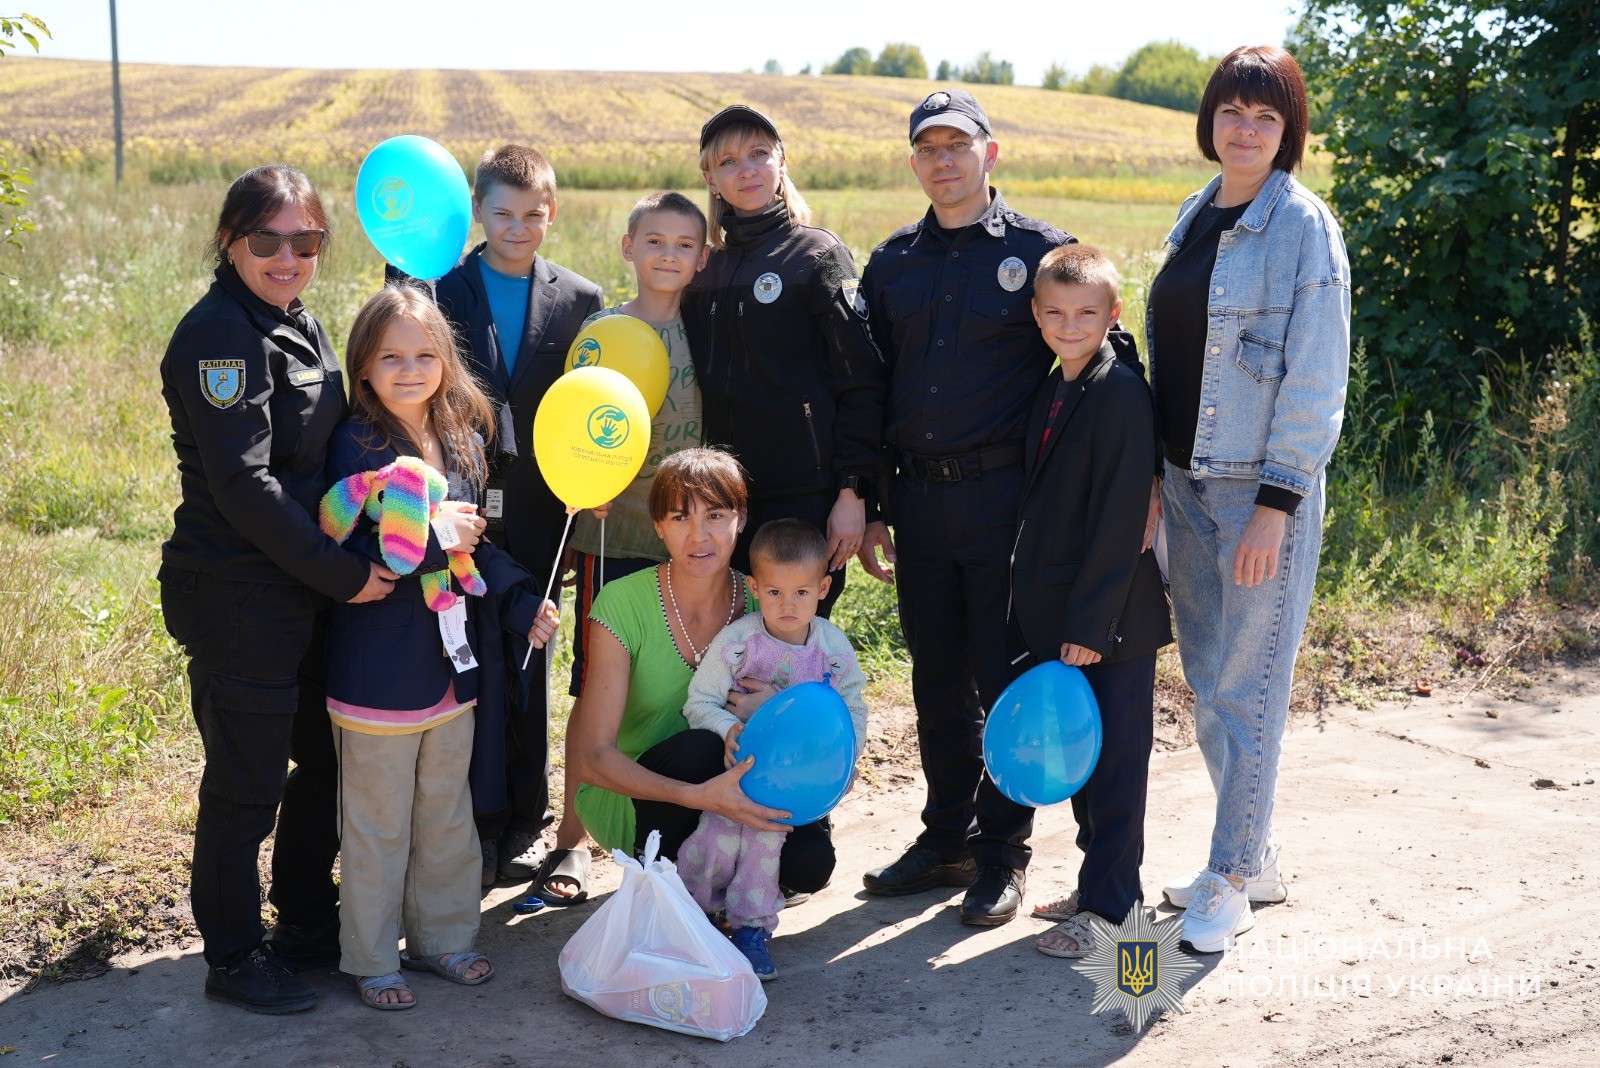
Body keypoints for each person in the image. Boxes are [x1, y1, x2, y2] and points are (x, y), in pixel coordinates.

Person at [855, 89, 1138, 926]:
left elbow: (1107, 352)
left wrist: (1141, 478)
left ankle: (1001, 855)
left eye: (959, 144)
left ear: (991, 152)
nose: (944, 160)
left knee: (1005, 677)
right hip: (917, 501)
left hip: (1007, 505)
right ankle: (945, 837)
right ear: (914, 160)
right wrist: (869, 500)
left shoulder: (1039, 251)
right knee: (938, 680)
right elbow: (867, 387)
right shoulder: (892, 262)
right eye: (929, 147)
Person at [157, 165, 407, 1013]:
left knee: (327, 757)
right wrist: (345, 574)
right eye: (268, 239)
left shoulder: (295, 320)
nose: (288, 256)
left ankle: (304, 920)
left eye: (307, 240)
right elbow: (244, 485)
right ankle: (233, 957)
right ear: (231, 240)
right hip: (240, 593)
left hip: (299, 587)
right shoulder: (220, 336)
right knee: (246, 782)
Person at [1147, 46, 1350, 953]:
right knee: (1207, 683)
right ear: (1210, 120)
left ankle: (1228, 877)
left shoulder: (1304, 227)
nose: (1245, 128)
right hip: (1184, 482)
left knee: (1248, 687)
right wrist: (1155, 479)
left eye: (1266, 116)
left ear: (1288, 132)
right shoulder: (1198, 214)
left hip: (1254, 493)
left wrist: (1277, 501)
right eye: (1232, 110)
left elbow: (1317, 377)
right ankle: (1254, 857)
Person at [320, 286, 561, 1009]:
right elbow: (352, 549)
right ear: (363, 367)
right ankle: (371, 957)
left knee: (446, 815)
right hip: (378, 669)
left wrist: (520, 602)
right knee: (377, 823)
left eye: (425, 355)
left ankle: (443, 940)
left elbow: (476, 546)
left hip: (453, 668)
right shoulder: (354, 444)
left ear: (447, 362)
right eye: (390, 357)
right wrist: (436, 536)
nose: (409, 370)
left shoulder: (460, 438)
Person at [428, 144, 605, 887]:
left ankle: (527, 821)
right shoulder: (439, 289)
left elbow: (592, 398)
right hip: (456, 500)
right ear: (478, 211)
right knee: (462, 658)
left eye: (534, 214)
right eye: (503, 213)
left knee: (528, 657)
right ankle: (467, 821)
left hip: (540, 509)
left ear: (552, 212)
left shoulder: (582, 299)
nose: (518, 227)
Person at [567, 449, 837, 912]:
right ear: (658, 526)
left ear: (741, 518)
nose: (699, 536)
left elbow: (825, 711)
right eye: (679, 517)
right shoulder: (621, 602)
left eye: (715, 515)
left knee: (810, 865)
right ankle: (669, 881)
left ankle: (732, 885)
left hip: (742, 781)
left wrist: (777, 706)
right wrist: (701, 797)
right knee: (700, 748)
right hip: (640, 793)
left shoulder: (769, 598)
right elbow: (592, 760)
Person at [1005, 245, 1173, 958]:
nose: (1069, 326)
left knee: (1116, 769)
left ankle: (1113, 911)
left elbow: (1120, 522)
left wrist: (1092, 624)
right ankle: (1096, 882)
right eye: (1055, 313)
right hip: (1063, 614)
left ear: (1112, 314)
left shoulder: (1120, 394)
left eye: (1085, 313)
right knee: (1083, 756)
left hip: (1111, 621)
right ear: (1037, 315)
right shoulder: (1058, 384)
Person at [544, 192, 711, 906]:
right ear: (628, 247)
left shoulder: (710, 332)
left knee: (682, 687)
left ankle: (671, 833)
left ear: (702, 257)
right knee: (595, 686)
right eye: (654, 241)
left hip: (692, 539)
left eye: (684, 244)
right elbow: (573, 420)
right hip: (611, 535)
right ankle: (572, 839)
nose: (668, 255)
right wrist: (586, 484)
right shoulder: (602, 330)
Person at [682, 105, 885, 615]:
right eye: (728, 161)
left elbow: (862, 382)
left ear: (781, 162)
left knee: (793, 635)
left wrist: (853, 492)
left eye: (759, 154)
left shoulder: (815, 255)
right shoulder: (703, 266)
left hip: (805, 495)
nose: (747, 170)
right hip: (721, 497)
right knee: (728, 641)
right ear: (709, 178)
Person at [676, 518, 869, 979]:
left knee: (765, 847)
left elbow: (853, 709)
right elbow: (700, 701)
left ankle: (752, 928)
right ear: (755, 588)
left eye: (801, 592)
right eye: (775, 592)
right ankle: (693, 918)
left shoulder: (831, 649)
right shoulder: (740, 643)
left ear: (823, 588)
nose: (788, 604)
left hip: (792, 782)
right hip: (734, 773)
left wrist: (844, 760)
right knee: (715, 839)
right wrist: (727, 727)